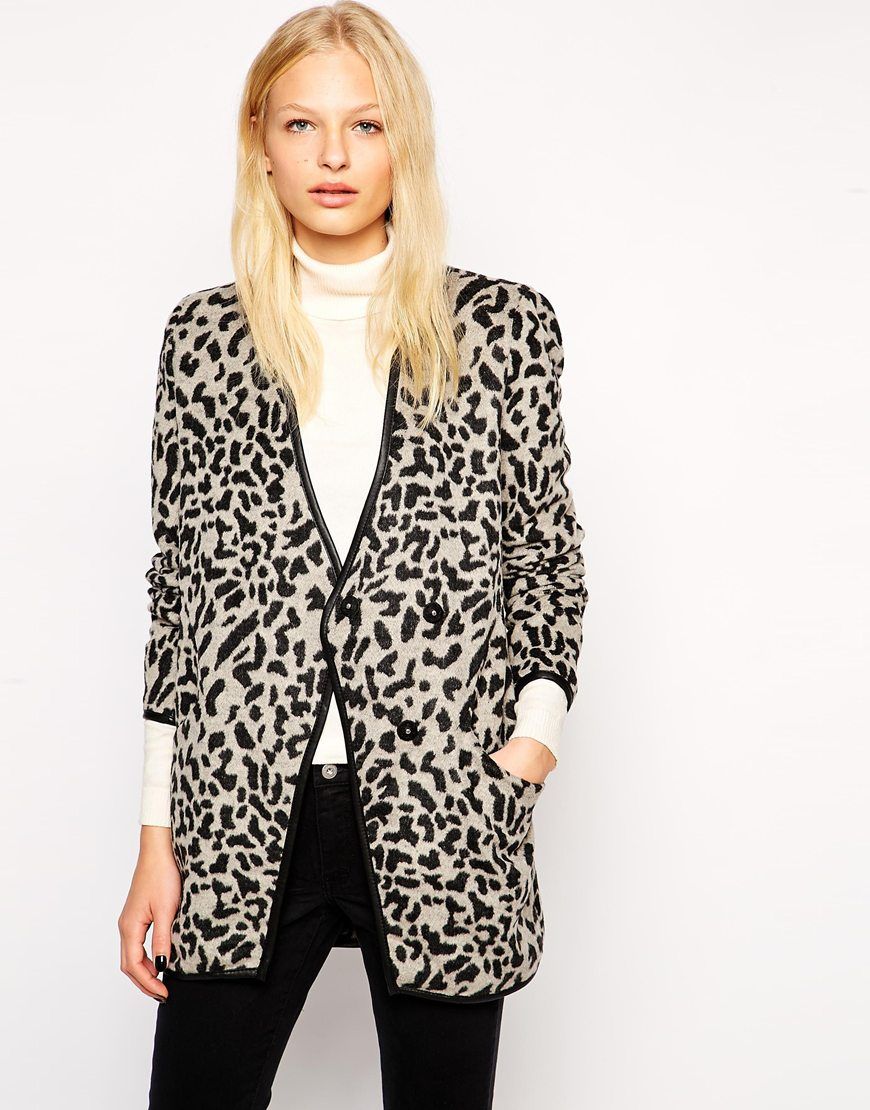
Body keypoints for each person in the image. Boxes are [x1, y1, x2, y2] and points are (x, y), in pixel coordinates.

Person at [118, 4, 588, 1107]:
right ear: (260, 142)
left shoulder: (502, 328)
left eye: (365, 125)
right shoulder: (204, 340)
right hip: (240, 807)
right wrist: (157, 836)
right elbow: (179, 590)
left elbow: (545, 560)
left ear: (402, 142)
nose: (333, 155)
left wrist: (528, 748)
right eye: (302, 124)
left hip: (445, 805)